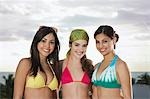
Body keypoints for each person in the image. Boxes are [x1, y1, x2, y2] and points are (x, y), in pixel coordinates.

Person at [13, 26, 60, 99]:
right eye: (43, 41)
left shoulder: (53, 67)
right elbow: (17, 96)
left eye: (51, 42)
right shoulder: (26, 63)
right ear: (36, 42)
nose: (47, 46)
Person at [92, 25, 132, 99]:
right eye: (98, 42)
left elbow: (128, 97)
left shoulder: (120, 66)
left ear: (114, 40)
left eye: (105, 41)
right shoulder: (96, 66)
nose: (100, 46)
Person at [59, 29, 94, 99]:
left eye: (84, 45)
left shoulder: (89, 66)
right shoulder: (60, 65)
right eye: (77, 45)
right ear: (70, 45)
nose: (80, 49)